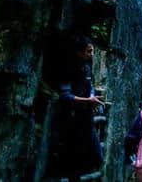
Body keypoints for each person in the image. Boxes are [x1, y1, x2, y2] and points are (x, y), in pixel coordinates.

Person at [51, 35, 103, 181]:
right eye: (89, 51)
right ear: (79, 52)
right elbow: (65, 96)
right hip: (72, 122)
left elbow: (90, 86)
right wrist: (88, 100)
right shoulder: (68, 69)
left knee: (96, 157)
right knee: (74, 163)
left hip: (86, 119)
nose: (92, 54)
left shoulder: (86, 67)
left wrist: (91, 98)